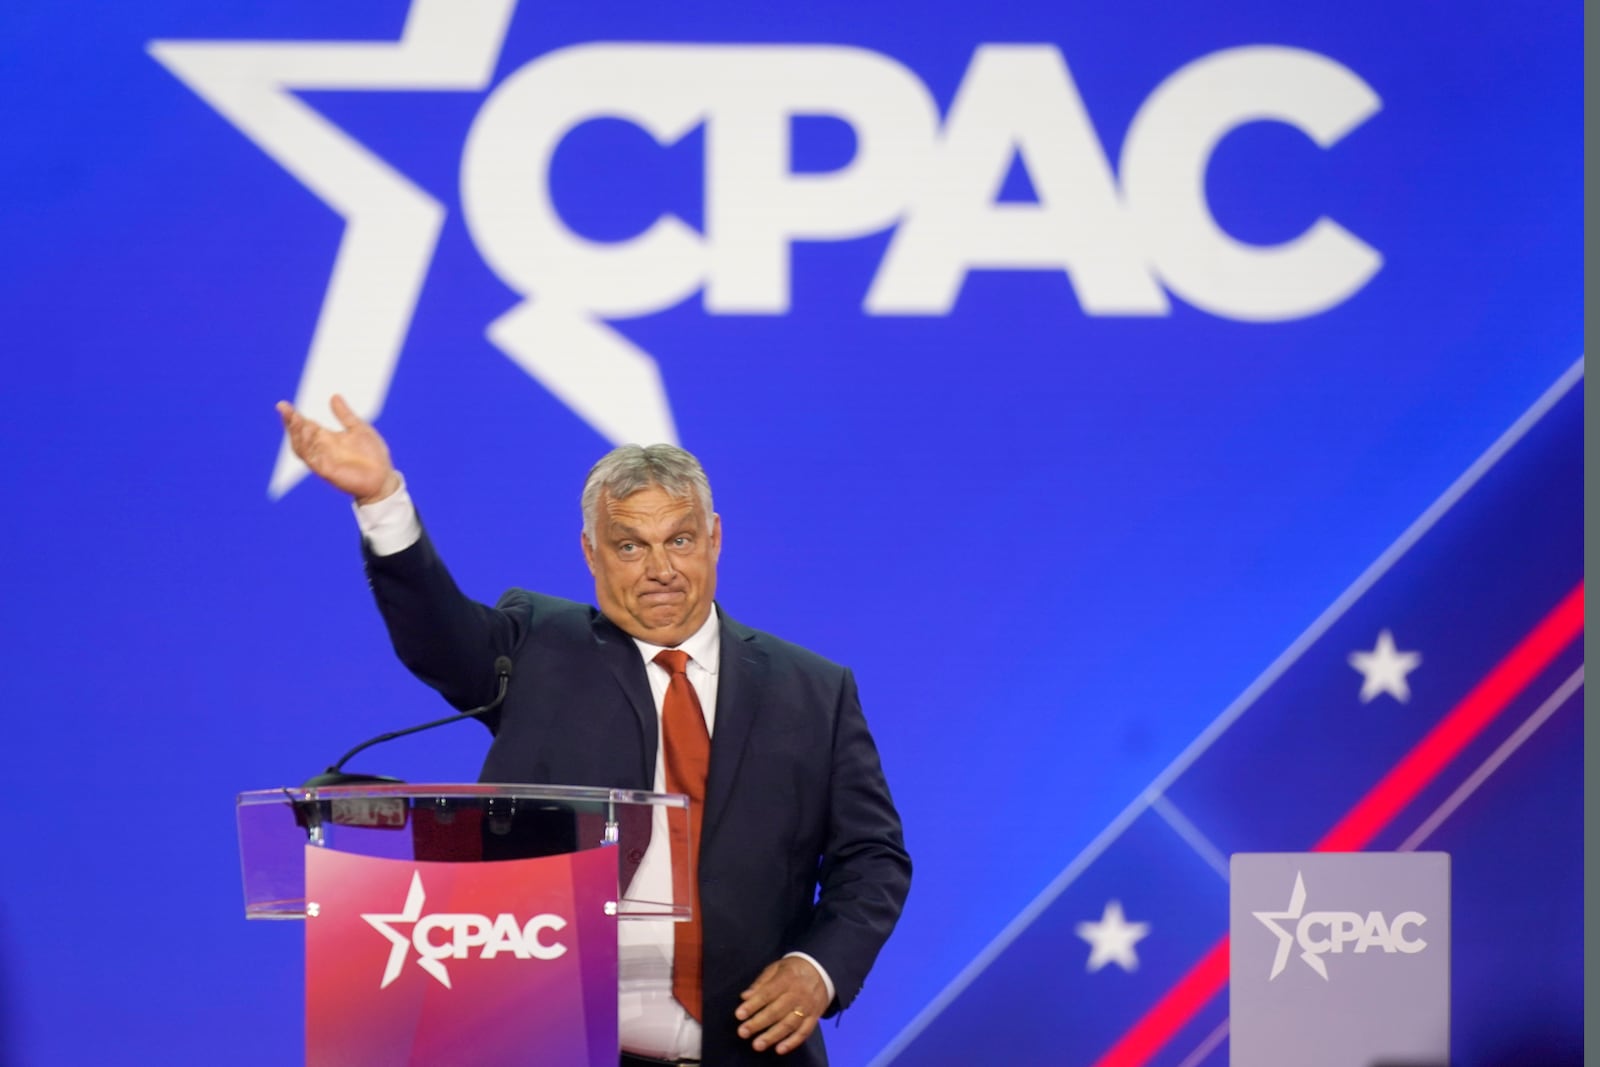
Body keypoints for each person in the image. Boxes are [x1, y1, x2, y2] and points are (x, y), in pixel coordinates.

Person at [278, 396, 911, 1066]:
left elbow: (872, 857)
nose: (661, 569)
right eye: (631, 545)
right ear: (591, 551)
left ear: (715, 537)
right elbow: (441, 639)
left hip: (751, 1050)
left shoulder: (812, 688)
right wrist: (382, 499)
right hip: (562, 1045)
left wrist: (818, 965)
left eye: (681, 539)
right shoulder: (537, 647)